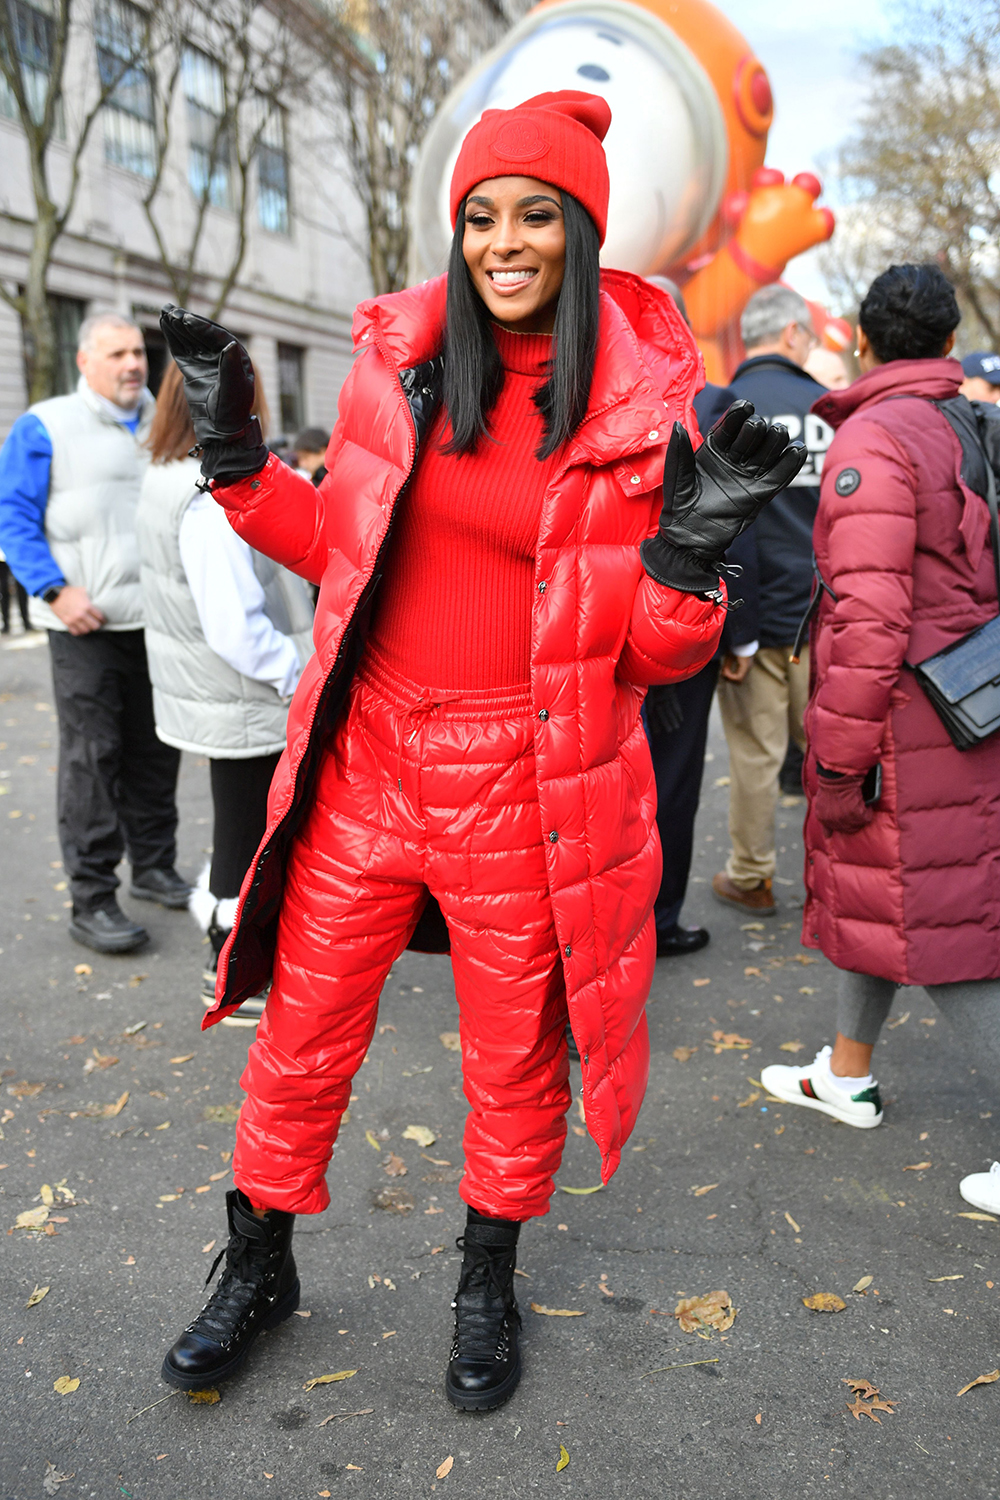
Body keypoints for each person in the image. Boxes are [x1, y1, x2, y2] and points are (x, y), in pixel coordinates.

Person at [156, 91, 802, 1410]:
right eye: (483, 215)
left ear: (580, 233)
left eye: (536, 214)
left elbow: (651, 655)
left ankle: (485, 1282)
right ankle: (257, 1263)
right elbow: (341, 538)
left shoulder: (634, 417)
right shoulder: (398, 368)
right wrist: (233, 458)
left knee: (513, 1053)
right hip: (372, 768)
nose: (506, 239)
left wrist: (689, 558)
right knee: (301, 1034)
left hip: (523, 783)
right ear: (460, 232)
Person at [760, 263, 1000, 1128]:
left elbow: (869, 620)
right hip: (971, 703)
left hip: (908, 725)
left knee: (947, 937)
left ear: (861, 341)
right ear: (946, 343)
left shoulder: (874, 437)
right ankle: (847, 1074)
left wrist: (836, 761)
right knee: (890, 893)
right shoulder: (964, 420)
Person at [0, 313, 189, 953]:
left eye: (139, 352)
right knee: (94, 757)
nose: (134, 363)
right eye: (117, 353)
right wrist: (54, 589)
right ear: (85, 361)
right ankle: (92, 898)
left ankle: (154, 865)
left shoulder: (162, 427)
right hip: (86, 627)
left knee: (156, 751)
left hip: (159, 622)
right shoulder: (45, 425)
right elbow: (14, 518)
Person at [136, 363, 314, 1025]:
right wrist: (297, 674)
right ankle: (229, 972)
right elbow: (235, 626)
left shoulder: (164, 477)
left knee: (240, 825)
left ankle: (235, 963)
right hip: (246, 694)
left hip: (216, 693)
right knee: (245, 832)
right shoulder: (208, 497)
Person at [642, 275, 755, 957]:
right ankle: (658, 918)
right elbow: (741, 524)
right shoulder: (712, 405)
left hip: (597, 621)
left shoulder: (579, 401)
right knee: (674, 775)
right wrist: (740, 630)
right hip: (681, 620)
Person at [712, 284, 832, 915]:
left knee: (756, 753)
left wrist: (733, 624)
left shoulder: (730, 408)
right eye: (808, 336)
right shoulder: (829, 406)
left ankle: (752, 876)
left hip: (755, 613)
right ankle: (838, 880)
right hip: (825, 614)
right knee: (829, 754)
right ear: (791, 335)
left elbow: (720, 523)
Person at [0, 547, 31, 634]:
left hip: (14, 552)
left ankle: (26, 622)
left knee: (21, 589)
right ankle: (6, 624)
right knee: (4, 589)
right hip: (2, 556)